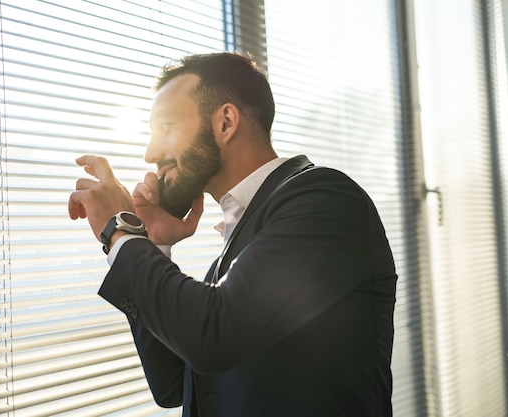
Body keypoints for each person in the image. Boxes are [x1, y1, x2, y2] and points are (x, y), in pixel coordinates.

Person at [68, 52, 397, 417]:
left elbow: (214, 334)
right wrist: (153, 243)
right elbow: (172, 384)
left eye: (165, 128)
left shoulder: (326, 201)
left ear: (226, 122)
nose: (150, 154)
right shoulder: (229, 263)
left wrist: (120, 230)